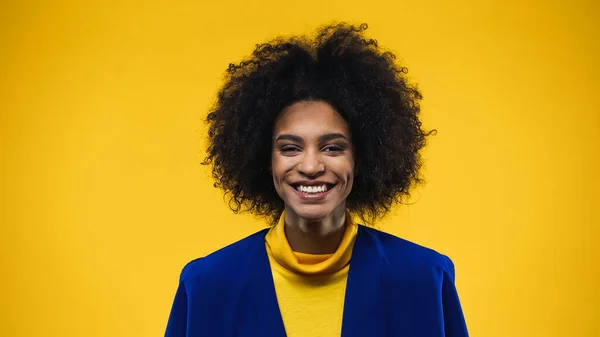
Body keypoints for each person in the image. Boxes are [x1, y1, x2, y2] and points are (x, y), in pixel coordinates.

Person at [164, 22, 469, 337]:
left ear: (362, 157)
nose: (310, 166)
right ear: (265, 160)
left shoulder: (424, 279)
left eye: (333, 147)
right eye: (290, 148)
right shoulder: (207, 285)